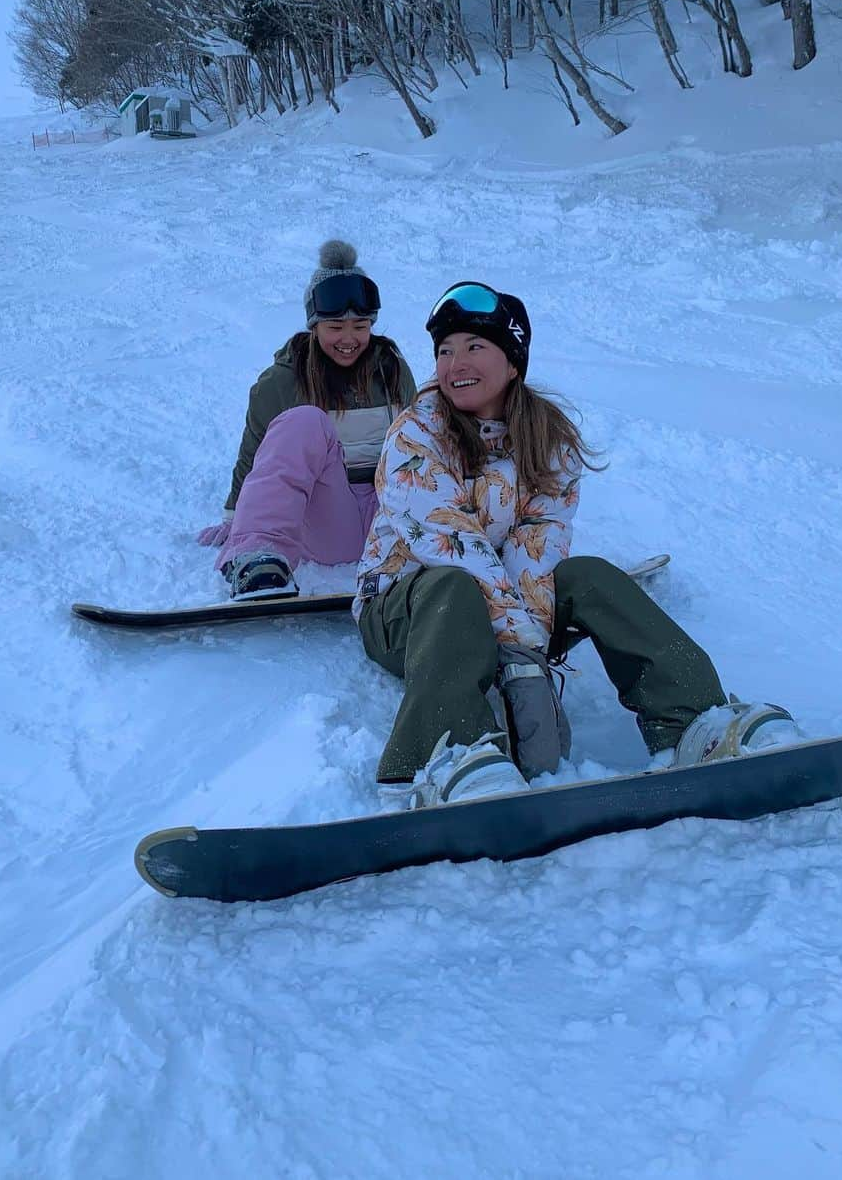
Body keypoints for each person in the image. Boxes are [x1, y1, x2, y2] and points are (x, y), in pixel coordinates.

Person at [355, 281, 802, 807]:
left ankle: (697, 721)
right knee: (453, 587)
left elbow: (538, 545)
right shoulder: (415, 433)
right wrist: (521, 653)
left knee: (589, 575)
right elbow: (447, 542)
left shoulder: (546, 439)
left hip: (499, 601)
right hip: (407, 607)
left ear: (513, 360)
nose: (455, 363)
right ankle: (446, 755)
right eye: (445, 351)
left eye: (474, 346)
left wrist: (522, 651)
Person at [198, 240, 417, 600]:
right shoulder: (283, 380)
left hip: (390, 524)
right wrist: (236, 520)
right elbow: (257, 456)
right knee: (305, 422)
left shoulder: (391, 369)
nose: (349, 339)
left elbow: (419, 441)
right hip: (329, 520)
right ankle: (258, 557)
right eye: (335, 327)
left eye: (360, 326)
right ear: (313, 326)